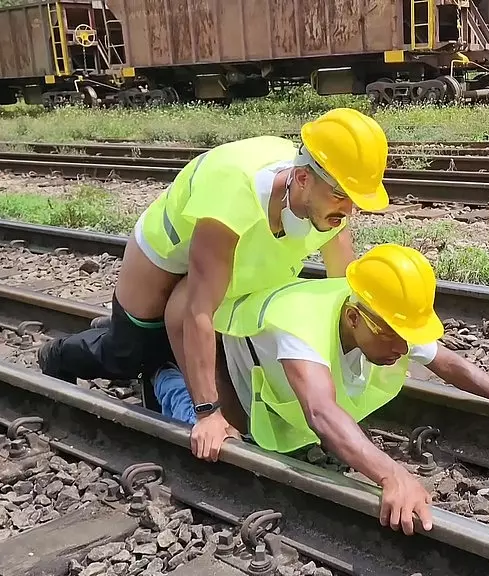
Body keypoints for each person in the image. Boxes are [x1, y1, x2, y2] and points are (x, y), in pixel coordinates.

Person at [151, 243, 489, 535]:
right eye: (393, 336)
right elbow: (321, 414)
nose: (403, 346)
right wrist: (392, 474)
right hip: (223, 379)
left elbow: (446, 360)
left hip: (266, 385)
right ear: (356, 319)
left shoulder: (380, 310)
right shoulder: (298, 330)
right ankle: (161, 376)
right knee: (204, 426)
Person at [37, 107, 391, 460]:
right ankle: (59, 354)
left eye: (355, 200)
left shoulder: (325, 202)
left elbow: (343, 295)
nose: (349, 211)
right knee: (128, 353)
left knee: (219, 331)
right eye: (341, 195)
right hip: (166, 251)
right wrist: (208, 414)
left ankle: (163, 359)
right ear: (303, 179)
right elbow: (200, 309)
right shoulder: (235, 193)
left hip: (237, 252)